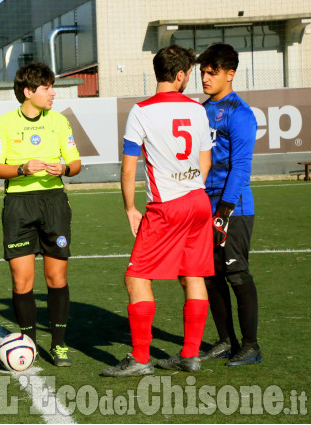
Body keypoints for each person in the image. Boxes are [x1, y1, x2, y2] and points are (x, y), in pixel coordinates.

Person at [101, 45, 214, 378]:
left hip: (167, 206)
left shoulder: (141, 111)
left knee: (136, 277)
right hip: (198, 200)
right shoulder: (197, 109)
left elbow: (127, 168)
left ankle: (140, 358)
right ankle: (190, 355)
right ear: (180, 75)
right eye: (190, 73)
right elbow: (206, 159)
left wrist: (130, 208)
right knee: (193, 275)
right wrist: (192, 187)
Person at [0, 62, 81, 366]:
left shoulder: (59, 122)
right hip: (19, 206)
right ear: (28, 91)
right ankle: (28, 342)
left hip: (54, 202)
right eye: (47, 88)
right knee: (22, 282)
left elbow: (75, 164)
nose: (53, 93)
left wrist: (64, 168)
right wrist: (22, 169)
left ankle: (59, 345)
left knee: (56, 277)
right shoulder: (2, 123)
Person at [196, 43, 261, 366]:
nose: (205, 78)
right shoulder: (201, 109)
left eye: (212, 72)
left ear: (230, 74)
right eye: (203, 72)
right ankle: (225, 340)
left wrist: (223, 211)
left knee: (236, 274)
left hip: (232, 208)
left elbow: (241, 167)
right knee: (210, 276)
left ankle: (251, 345)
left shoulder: (240, 113)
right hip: (202, 206)